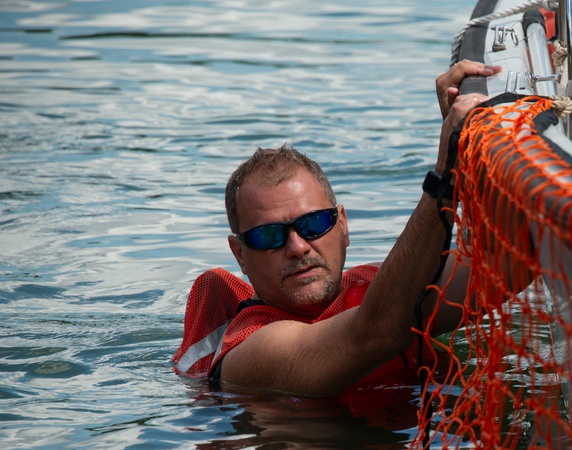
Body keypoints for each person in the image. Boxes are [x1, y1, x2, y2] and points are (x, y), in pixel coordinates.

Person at [173, 61, 502, 397]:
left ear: (343, 226)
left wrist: (472, 145)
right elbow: (374, 334)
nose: (298, 247)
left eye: (314, 224)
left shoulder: (376, 286)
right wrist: (443, 178)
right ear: (240, 254)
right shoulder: (251, 350)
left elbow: (503, 258)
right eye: (269, 235)